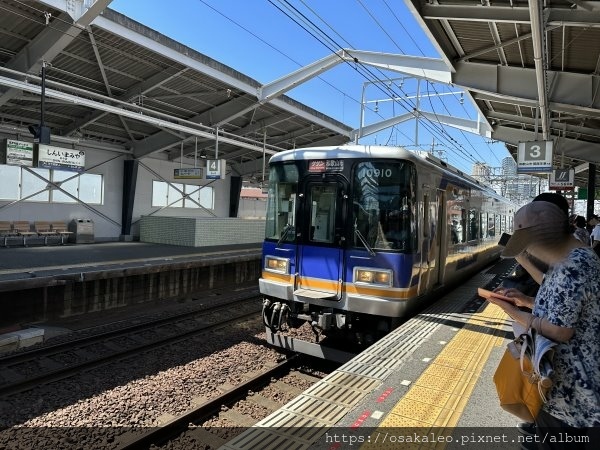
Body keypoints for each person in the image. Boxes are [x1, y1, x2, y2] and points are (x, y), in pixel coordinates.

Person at [487, 201, 600, 448]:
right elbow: (559, 297)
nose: (530, 252)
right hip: (561, 392)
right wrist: (525, 300)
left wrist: (513, 312)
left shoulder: (575, 264)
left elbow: (559, 330)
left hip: (574, 399)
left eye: (529, 244)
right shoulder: (569, 259)